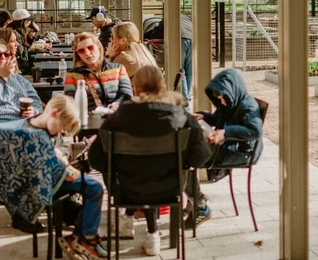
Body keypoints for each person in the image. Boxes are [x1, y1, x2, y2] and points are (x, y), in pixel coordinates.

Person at [89, 66, 211, 255]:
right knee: (156, 168)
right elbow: (201, 157)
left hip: (126, 191)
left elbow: (96, 160)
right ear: (163, 89)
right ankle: (153, 235)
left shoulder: (116, 120)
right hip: (170, 189)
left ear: (135, 90)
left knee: (125, 168)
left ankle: (128, 220)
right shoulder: (182, 118)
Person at [23, 95, 108, 260]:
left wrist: (61, 152)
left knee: (94, 188)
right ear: (54, 114)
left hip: (59, 176)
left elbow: (63, 146)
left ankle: (82, 237)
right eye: (62, 126)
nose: (61, 131)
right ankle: (82, 239)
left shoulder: (52, 128)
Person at [185, 69, 263, 229]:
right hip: (229, 146)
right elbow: (218, 118)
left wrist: (226, 133)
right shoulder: (230, 102)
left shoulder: (248, 107)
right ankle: (196, 198)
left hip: (240, 152)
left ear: (231, 92)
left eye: (222, 98)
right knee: (186, 155)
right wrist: (205, 116)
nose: (221, 102)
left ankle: (199, 204)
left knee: (186, 159)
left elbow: (255, 131)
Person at [64, 32, 133, 111]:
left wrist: (113, 107)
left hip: (116, 116)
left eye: (90, 47)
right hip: (88, 118)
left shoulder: (118, 68)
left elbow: (127, 95)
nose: (87, 53)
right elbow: (69, 102)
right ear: (77, 54)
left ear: (98, 46)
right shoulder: (72, 75)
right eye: (81, 51)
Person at [144, 14, 193, 101]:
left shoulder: (168, 17)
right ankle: (188, 95)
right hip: (192, 40)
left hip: (180, 41)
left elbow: (157, 33)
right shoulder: (188, 18)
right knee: (189, 72)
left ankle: (185, 97)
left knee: (181, 70)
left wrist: (151, 38)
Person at [10, 8, 39, 73]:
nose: (30, 22)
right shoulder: (15, 34)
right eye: (28, 20)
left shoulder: (19, 32)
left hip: (21, 65)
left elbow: (24, 50)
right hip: (20, 67)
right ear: (22, 21)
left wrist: (29, 37)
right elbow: (20, 53)